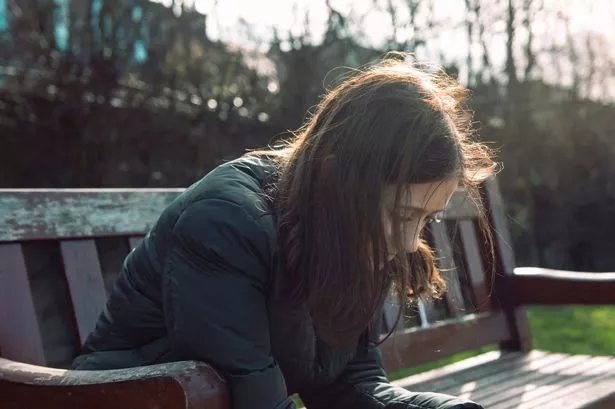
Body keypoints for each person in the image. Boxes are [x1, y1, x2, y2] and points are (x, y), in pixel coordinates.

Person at [72, 53, 495, 409]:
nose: (406, 242)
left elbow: (351, 383)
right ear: (337, 175)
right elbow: (250, 394)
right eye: (403, 216)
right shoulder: (225, 223)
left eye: (425, 219)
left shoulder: (349, 229)